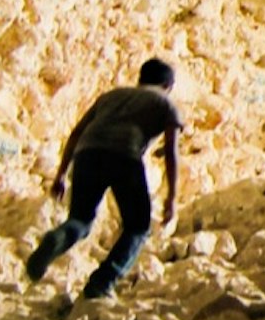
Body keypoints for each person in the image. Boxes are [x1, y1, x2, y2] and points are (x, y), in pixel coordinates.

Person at [27, 59, 183, 301]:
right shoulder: (166, 103)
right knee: (138, 227)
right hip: (125, 156)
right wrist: (171, 197)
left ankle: (55, 238)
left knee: (80, 219)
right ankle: (101, 283)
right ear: (168, 85)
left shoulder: (111, 96)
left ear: (140, 79)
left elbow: (77, 132)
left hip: (87, 154)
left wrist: (60, 174)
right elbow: (172, 152)